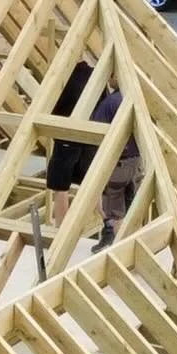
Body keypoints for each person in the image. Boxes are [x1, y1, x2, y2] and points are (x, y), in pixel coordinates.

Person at [46, 62, 140, 243]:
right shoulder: (98, 80)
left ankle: (61, 235)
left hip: (66, 135)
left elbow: (55, 103)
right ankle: (108, 225)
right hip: (92, 140)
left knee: (61, 187)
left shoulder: (69, 75)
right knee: (95, 186)